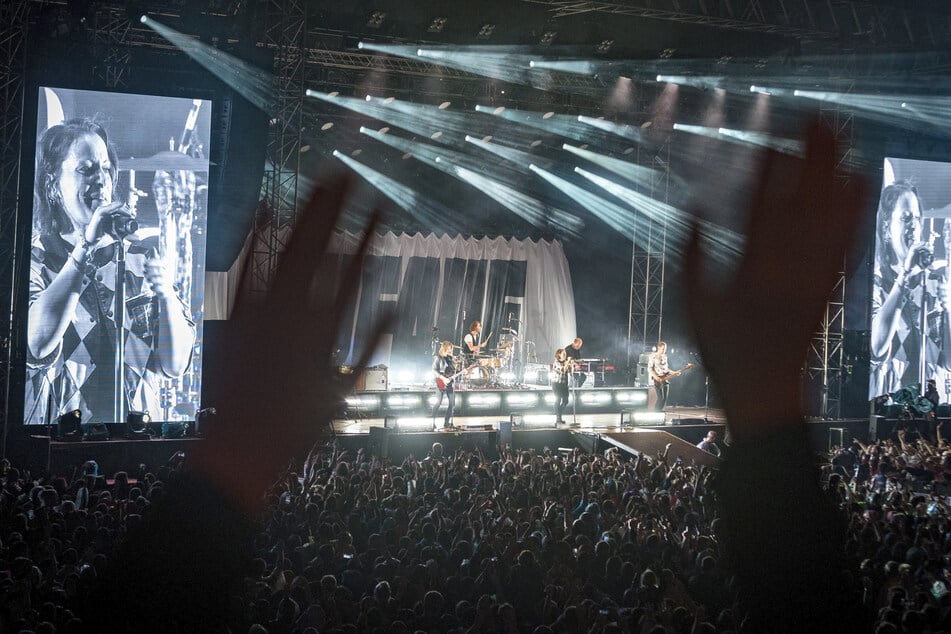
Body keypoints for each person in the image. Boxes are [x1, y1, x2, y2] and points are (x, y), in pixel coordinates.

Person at [25, 118, 195, 425]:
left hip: (139, 438)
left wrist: (166, 294)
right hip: (60, 442)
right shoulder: (37, 256)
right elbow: (37, 343)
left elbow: (175, 363)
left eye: (105, 168)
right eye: (86, 169)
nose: (101, 179)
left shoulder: (140, 255)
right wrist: (85, 246)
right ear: (53, 183)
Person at [869, 179, 951, 399]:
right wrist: (904, 276)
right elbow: (877, 348)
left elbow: (949, 362)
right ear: (887, 227)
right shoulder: (876, 282)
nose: (914, 225)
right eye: (906, 218)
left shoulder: (934, 280)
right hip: (890, 399)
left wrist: (950, 309)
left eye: (917, 217)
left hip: (933, 401)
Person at [432, 340, 457, 430]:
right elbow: (434, 370)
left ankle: (446, 423)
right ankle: (432, 421)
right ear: (445, 348)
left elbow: (452, 371)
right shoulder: (438, 358)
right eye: (449, 348)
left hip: (450, 383)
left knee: (452, 404)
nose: (451, 350)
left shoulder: (450, 359)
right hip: (440, 382)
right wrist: (443, 378)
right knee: (438, 402)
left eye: (451, 349)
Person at [648, 341, 671, 411]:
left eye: (665, 349)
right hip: (657, 380)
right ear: (659, 348)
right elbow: (650, 369)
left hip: (665, 379)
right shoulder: (653, 356)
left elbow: (666, 369)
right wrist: (656, 377)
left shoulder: (665, 357)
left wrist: (675, 372)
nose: (664, 350)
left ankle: (660, 412)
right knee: (660, 398)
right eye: (663, 349)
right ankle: (655, 413)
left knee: (664, 399)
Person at [551, 348, 571, 424]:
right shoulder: (556, 363)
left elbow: (569, 371)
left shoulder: (565, 362)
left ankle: (559, 415)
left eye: (565, 353)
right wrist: (568, 362)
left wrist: (570, 364)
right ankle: (558, 418)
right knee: (558, 400)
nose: (565, 355)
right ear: (559, 354)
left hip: (564, 384)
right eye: (563, 354)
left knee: (566, 401)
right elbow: (563, 370)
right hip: (557, 384)